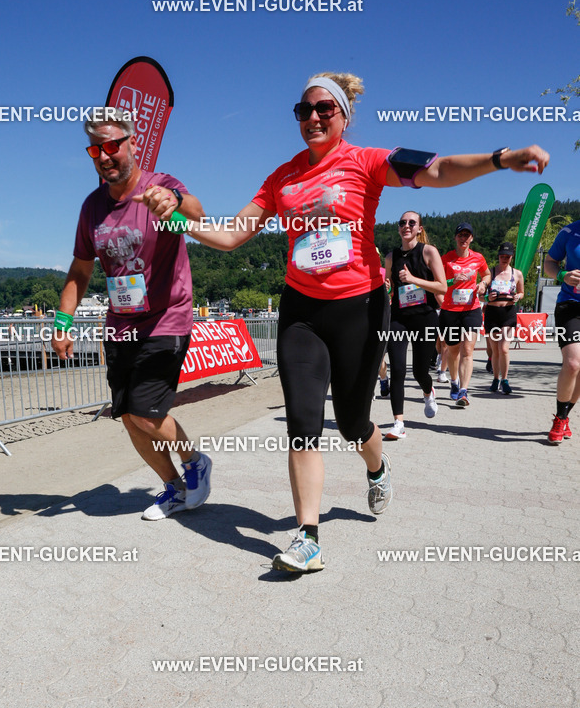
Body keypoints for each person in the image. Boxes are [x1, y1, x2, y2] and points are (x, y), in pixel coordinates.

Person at [138, 73, 549, 571]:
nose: (312, 118)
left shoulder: (368, 160)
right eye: (302, 110)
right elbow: (229, 236)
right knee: (303, 423)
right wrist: (178, 214)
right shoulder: (283, 177)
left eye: (323, 110)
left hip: (360, 307)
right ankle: (307, 537)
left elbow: (438, 172)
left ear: (342, 116)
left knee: (354, 424)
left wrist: (500, 158)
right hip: (301, 312)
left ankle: (377, 467)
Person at [52, 108, 212, 519]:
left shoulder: (161, 186)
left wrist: (172, 202)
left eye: (111, 145)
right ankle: (173, 487)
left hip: (167, 318)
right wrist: (63, 321)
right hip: (120, 324)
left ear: (132, 143)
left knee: (145, 410)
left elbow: (198, 214)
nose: (104, 156)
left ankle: (195, 460)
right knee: (126, 414)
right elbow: (80, 270)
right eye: (95, 149)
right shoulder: (92, 208)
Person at [383, 212, 447, 439]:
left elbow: (442, 287)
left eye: (412, 223)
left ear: (419, 228)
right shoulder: (391, 257)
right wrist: (388, 286)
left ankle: (428, 390)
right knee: (398, 369)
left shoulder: (428, 251)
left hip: (425, 317)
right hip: (399, 318)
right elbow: (390, 291)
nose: (406, 226)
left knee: (420, 371)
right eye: (402, 222)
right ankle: (398, 423)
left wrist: (413, 280)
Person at [440, 224, 491, 407]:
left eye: (467, 235)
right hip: (450, 310)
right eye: (461, 235)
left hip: (471, 309)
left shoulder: (478, 257)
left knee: (468, 350)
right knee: (453, 351)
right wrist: (453, 280)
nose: (464, 238)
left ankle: (464, 391)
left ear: (471, 239)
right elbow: (437, 283)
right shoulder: (446, 259)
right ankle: (454, 382)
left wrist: (483, 284)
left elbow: (486, 274)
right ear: (455, 238)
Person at [543, 220, 580, 443]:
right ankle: (559, 418)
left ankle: (565, 416)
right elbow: (550, 262)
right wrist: (562, 275)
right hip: (571, 305)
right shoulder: (570, 231)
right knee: (574, 363)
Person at [484, 241, 525, 394]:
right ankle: (495, 379)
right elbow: (481, 295)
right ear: (498, 256)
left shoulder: (517, 273)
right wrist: (488, 297)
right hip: (492, 314)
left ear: (512, 257)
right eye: (502, 256)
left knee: (504, 349)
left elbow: (521, 292)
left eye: (507, 256)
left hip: (508, 313)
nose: (504, 258)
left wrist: (517, 297)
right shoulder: (491, 272)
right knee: (495, 350)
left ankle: (505, 380)